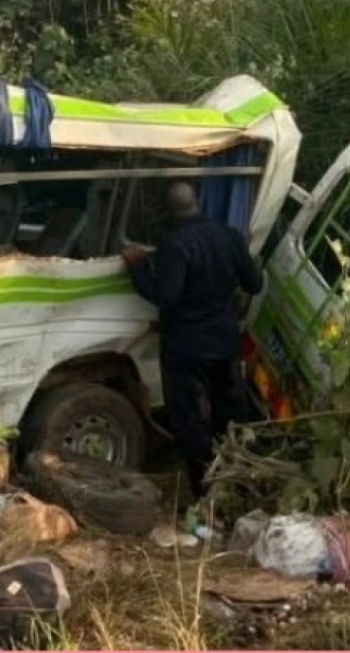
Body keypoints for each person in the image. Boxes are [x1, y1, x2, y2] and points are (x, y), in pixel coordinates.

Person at [121, 181, 263, 501]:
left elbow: (165, 297)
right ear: (198, 203)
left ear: (169, 211)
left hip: (187, 348)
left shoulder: (176, 245)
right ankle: (239, 482)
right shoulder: (230, 236)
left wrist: (137, 267)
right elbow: (254, 283)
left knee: (191, 420)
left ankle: (205, 494)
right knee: (228, 414)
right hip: (225, 344)